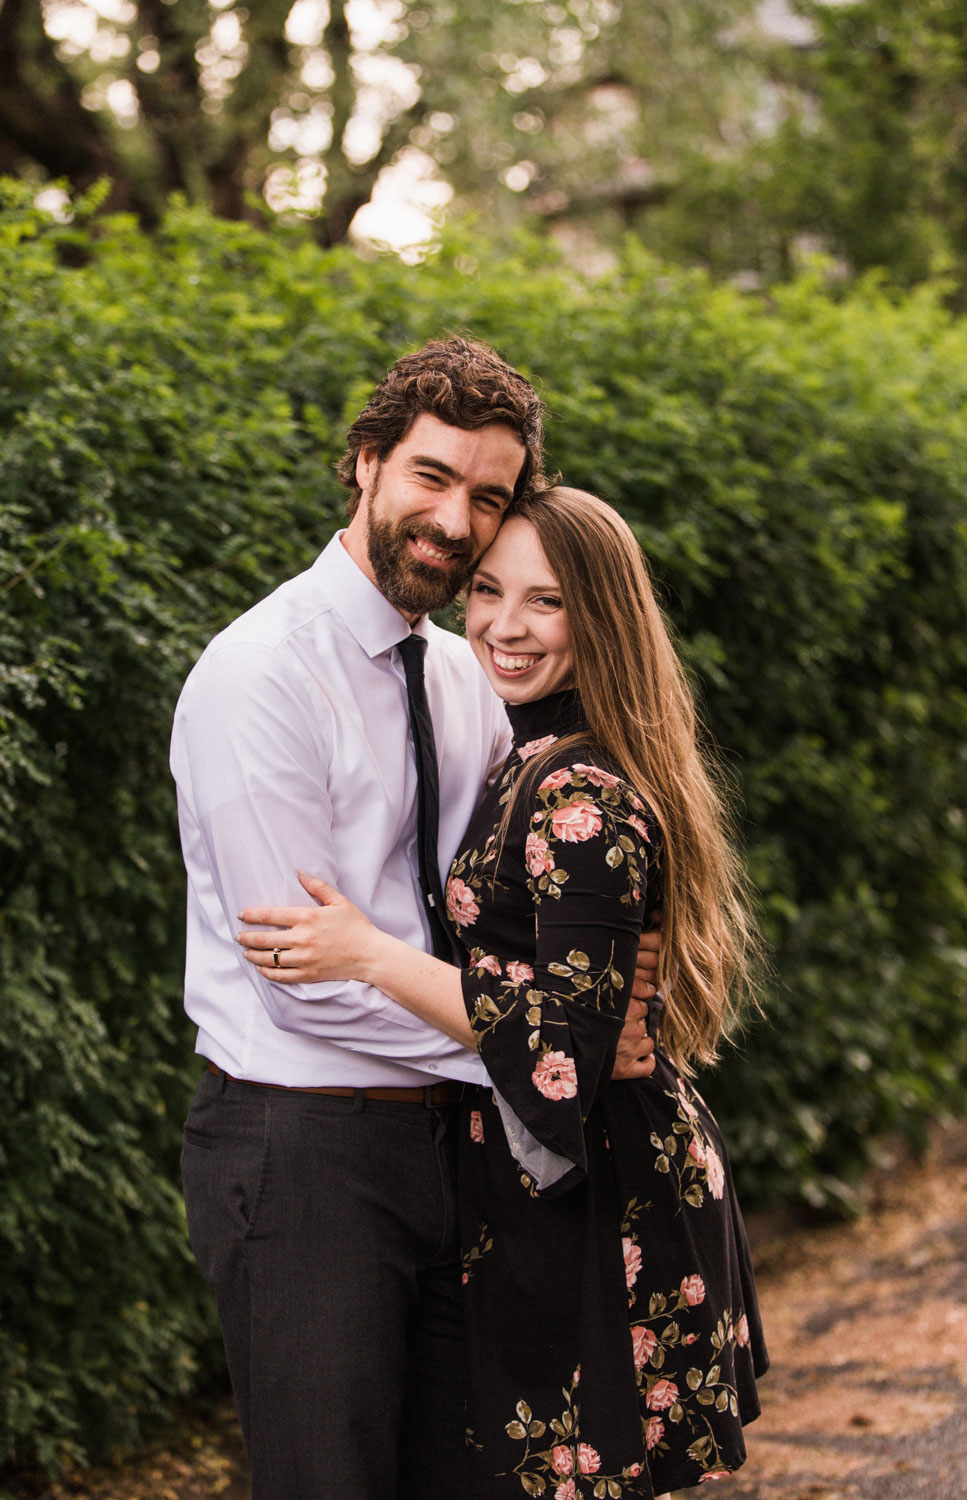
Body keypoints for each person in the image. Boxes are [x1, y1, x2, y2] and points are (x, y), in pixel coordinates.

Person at [171, 342, 658, 1500]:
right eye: (430, 477)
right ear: (364, 463)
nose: (454, 518)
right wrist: (548, 1051)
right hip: (305, 1152)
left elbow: (506, 918)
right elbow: (311, 975)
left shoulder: (460, 675)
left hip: (460, 1144)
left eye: (487, 496)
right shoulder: (258, 677)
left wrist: (580, 1016)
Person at [237, 487, 770, 1497]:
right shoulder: (521, 751)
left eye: (547, 602)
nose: (505, 626)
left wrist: (366, 953)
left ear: (599, 618)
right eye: (487, 591)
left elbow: (565, 1056)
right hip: (555, 1187)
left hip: (597, 1193)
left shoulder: (578, 795)